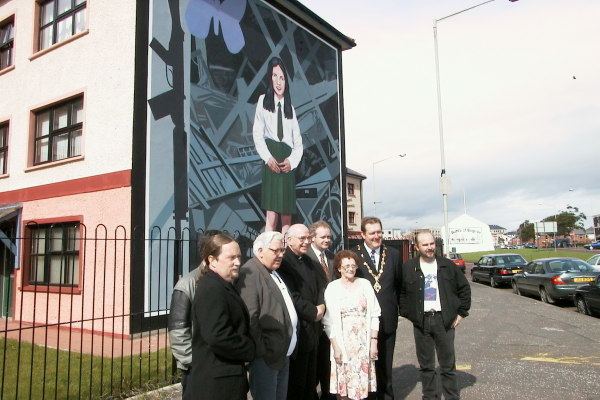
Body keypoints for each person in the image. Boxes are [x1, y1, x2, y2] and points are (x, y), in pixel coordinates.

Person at [400, 230, 471, 400]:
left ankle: (452, 396)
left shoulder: (447, 265)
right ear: (417, 247)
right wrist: (409, 314)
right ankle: (430, 396)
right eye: (425, 244)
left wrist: (461, 313)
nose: (430, 247)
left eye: (432, 243)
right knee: (426, 366)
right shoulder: (408, 267)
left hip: (444, 321)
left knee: (447, 365)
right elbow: (402, 294)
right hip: (421, 322)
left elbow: (464, 289)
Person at [184, 234, 255, 400]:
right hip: (218, 385)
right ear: (212, 260)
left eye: (239, 256)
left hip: (226, 379)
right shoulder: (212, 289)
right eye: (231, 257)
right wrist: (250, 349)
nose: (238, 262)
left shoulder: (222, 285)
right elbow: (218, 336)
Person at [236, 231, 298, 400]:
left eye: (283, 250)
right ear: (260, 250)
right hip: (267, 358)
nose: (280, 255)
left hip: (281, 354)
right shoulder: (250, 273)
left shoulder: (272, 270)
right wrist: (264, 350)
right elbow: (250, 318)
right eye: (275, 250)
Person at [352, 217, 402, 400]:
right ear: (362, 234)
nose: (377, 236)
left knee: (386, 365)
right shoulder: (353, 255)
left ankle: (387, 396)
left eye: (379, 232)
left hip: (388, 319)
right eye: (372, 233)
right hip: (363, 321)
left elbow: (399, 284)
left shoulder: (394, 254)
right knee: (365, 364)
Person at [252, 56, 303, 235]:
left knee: (286, 215)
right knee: (272, 214)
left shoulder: (291, 108)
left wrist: (291, 162)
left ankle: (286, 254)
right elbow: (257, 134)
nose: (278, 81)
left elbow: (299, 144)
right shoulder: (262, 101)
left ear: (286, 81)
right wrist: (267, 158)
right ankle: (269, 249)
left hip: (286, 161)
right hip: (272, 156)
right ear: (269, 77)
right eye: (275, 76)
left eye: (282, 77)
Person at [323, 250, 381, 400]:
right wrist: (336, 347)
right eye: (346, 265)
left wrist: (373, 343)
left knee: (362, 387)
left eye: (353, 265)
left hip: (363, 343)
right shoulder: (332, 288)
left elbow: (375, 313)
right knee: (344, 390)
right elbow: (328, 322)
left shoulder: (365, 284)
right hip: (342, 344)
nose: (350, 268)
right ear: (339, 268)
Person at [168, 230, 220, 395]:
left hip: (219, 365)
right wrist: (194, 362)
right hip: (197, 368)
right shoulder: (187, 284)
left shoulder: (227, 282)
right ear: (209, 255)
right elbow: (178, 331)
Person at [278, 224, 326, 400]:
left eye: (308, 238)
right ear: (289, 240)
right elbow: (291, 296)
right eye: (302, 239)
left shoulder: (309, 261)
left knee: (311, 379)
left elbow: (322, 286)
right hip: (299, 331)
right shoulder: (283, 263)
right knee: (297, 383)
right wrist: (313, 312)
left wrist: (321, 306)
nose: (307, 242)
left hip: (313, 329)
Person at [306, 220, 336, 399]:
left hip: (330, 322)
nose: (327, 240)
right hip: (314, 320)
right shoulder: (306, 258)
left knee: (328, 368)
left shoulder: (332, 257)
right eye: (323, 237)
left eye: (329, 237)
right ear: (312, 238)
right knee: (312, 372)